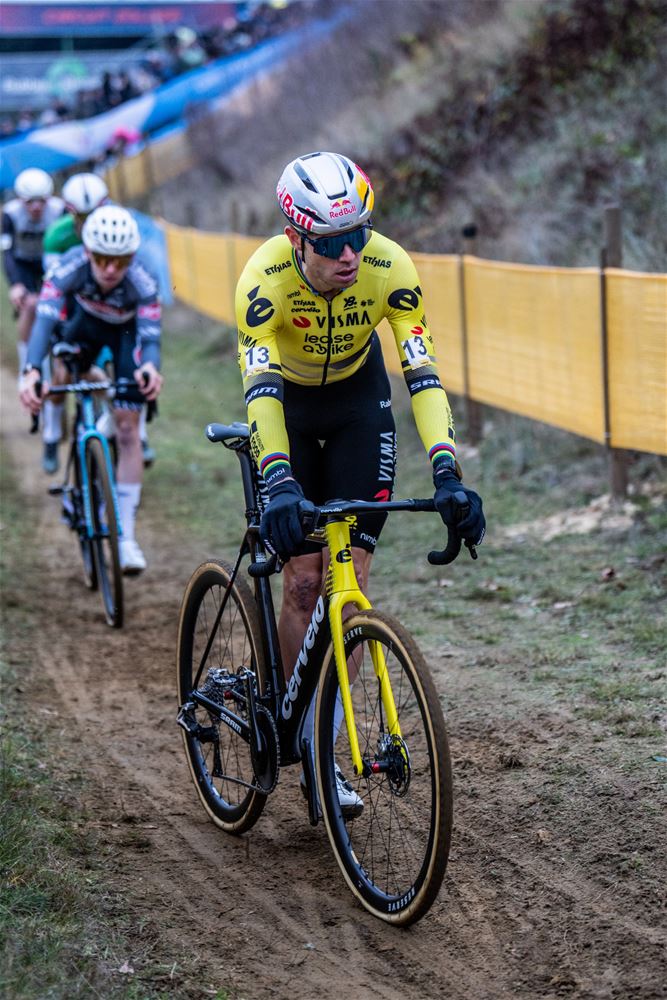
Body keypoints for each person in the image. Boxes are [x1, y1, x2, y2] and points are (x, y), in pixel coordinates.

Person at [235, 151, 485, 813]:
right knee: (303, 581)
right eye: (331, 242)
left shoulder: (389, 266)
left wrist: (447, 472)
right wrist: (278, 479)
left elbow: (423, 375)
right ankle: (301, 737)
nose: (349, 254)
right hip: (287, 409)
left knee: (348, 588)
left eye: (358, 234)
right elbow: (260, 391)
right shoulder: (262, 280)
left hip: (357, 406)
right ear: (295, 237)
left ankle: (323, 748)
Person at [18, 205, 163, 575]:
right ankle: (69, 443)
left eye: (120, 260)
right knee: (62, 372)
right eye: (101, 259)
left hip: (125, 335)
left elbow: (150, 341)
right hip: (82, 329)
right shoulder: (68, 267)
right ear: (87, 252)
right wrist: (31, 370)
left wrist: (150, 367)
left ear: (132, 256)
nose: (110, 269)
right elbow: (44, 322)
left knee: (129, 426)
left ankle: (125, 537)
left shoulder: (144, 280)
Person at [42, 173, 156, 472]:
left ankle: (138, 432)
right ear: (70, 213)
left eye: (93, 213)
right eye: (80, 217)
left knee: (131, 373)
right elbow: (55, 291)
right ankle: (52, 435)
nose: (88, 220)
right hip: (77, 303)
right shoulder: (57, 236)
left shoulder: (117, 227)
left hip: (117, 310)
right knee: (63, 370)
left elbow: (137, 275)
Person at [2, 167, 65, 378]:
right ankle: (26, 364)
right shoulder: (10, 214)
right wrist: (16, 284)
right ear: (21, 200)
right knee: (29, 305)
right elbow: (7, 252)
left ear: (49, 198)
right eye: (30, 202)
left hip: (51, 262)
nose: (36, 207)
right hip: (24, 265)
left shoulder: (59, 210)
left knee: (58, 306)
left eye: (41, 201)